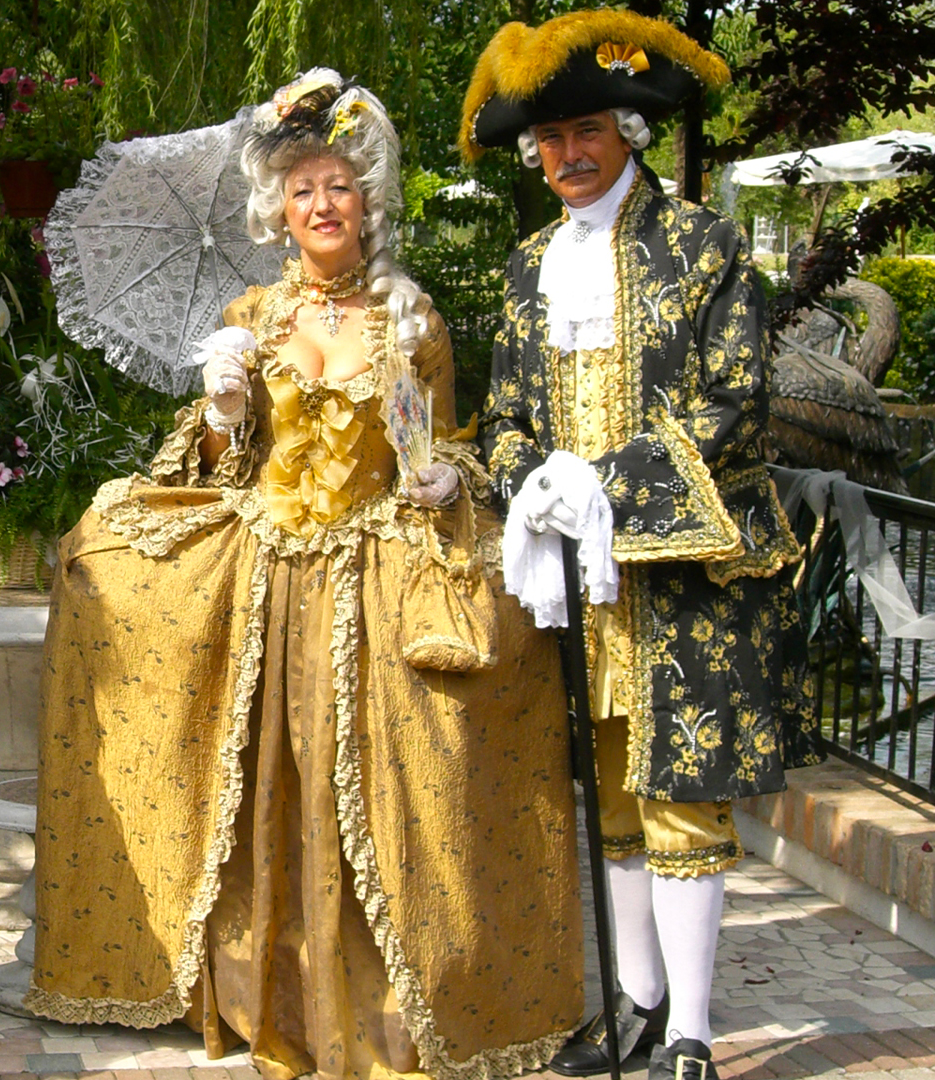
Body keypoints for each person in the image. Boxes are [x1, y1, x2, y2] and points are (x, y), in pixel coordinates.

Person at [27, 70, 583, 1080]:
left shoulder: (412, 321)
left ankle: (380, 1008)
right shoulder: (250, 315)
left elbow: (445, 448)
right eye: (302, 191)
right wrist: (223, 412)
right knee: (259, 782)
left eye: (339, 186)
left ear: (368, 201)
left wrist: (440, 480)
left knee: (371, 791)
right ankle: (264, 994)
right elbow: (221, 463)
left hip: (371, 580)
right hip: (266, 583)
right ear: (278, 211)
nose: (323, 205)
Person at [464, 11, 821, 1080]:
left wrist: (603, 483)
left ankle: (693, 1037)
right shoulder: (530, 264)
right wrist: (533, 482)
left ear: (627, 131)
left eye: (587, 132)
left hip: (687, 573)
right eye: (551, 139)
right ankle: (638, 1005)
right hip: (580, 582)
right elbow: (505, 414)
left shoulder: (704, 245)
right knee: (613, 798)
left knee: (683, 796)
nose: (568, 156)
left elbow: (736, 401)